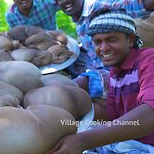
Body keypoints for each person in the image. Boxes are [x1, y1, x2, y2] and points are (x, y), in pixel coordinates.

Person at [48, 10, 154, 154]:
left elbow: (151, 113)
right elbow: (114, 117)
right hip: (131, 142)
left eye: (112, 39)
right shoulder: (115, 73)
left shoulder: (148, 59)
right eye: (98, 42)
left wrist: (84, 140)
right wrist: (74, 111)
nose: (103, 48)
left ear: (130, 39)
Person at [50, 0, 154, 99]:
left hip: (121, 71)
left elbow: (131, 3)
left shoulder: (98, 7)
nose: (65, 0)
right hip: (101, 69)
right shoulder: (79, 22)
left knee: (71, 90)